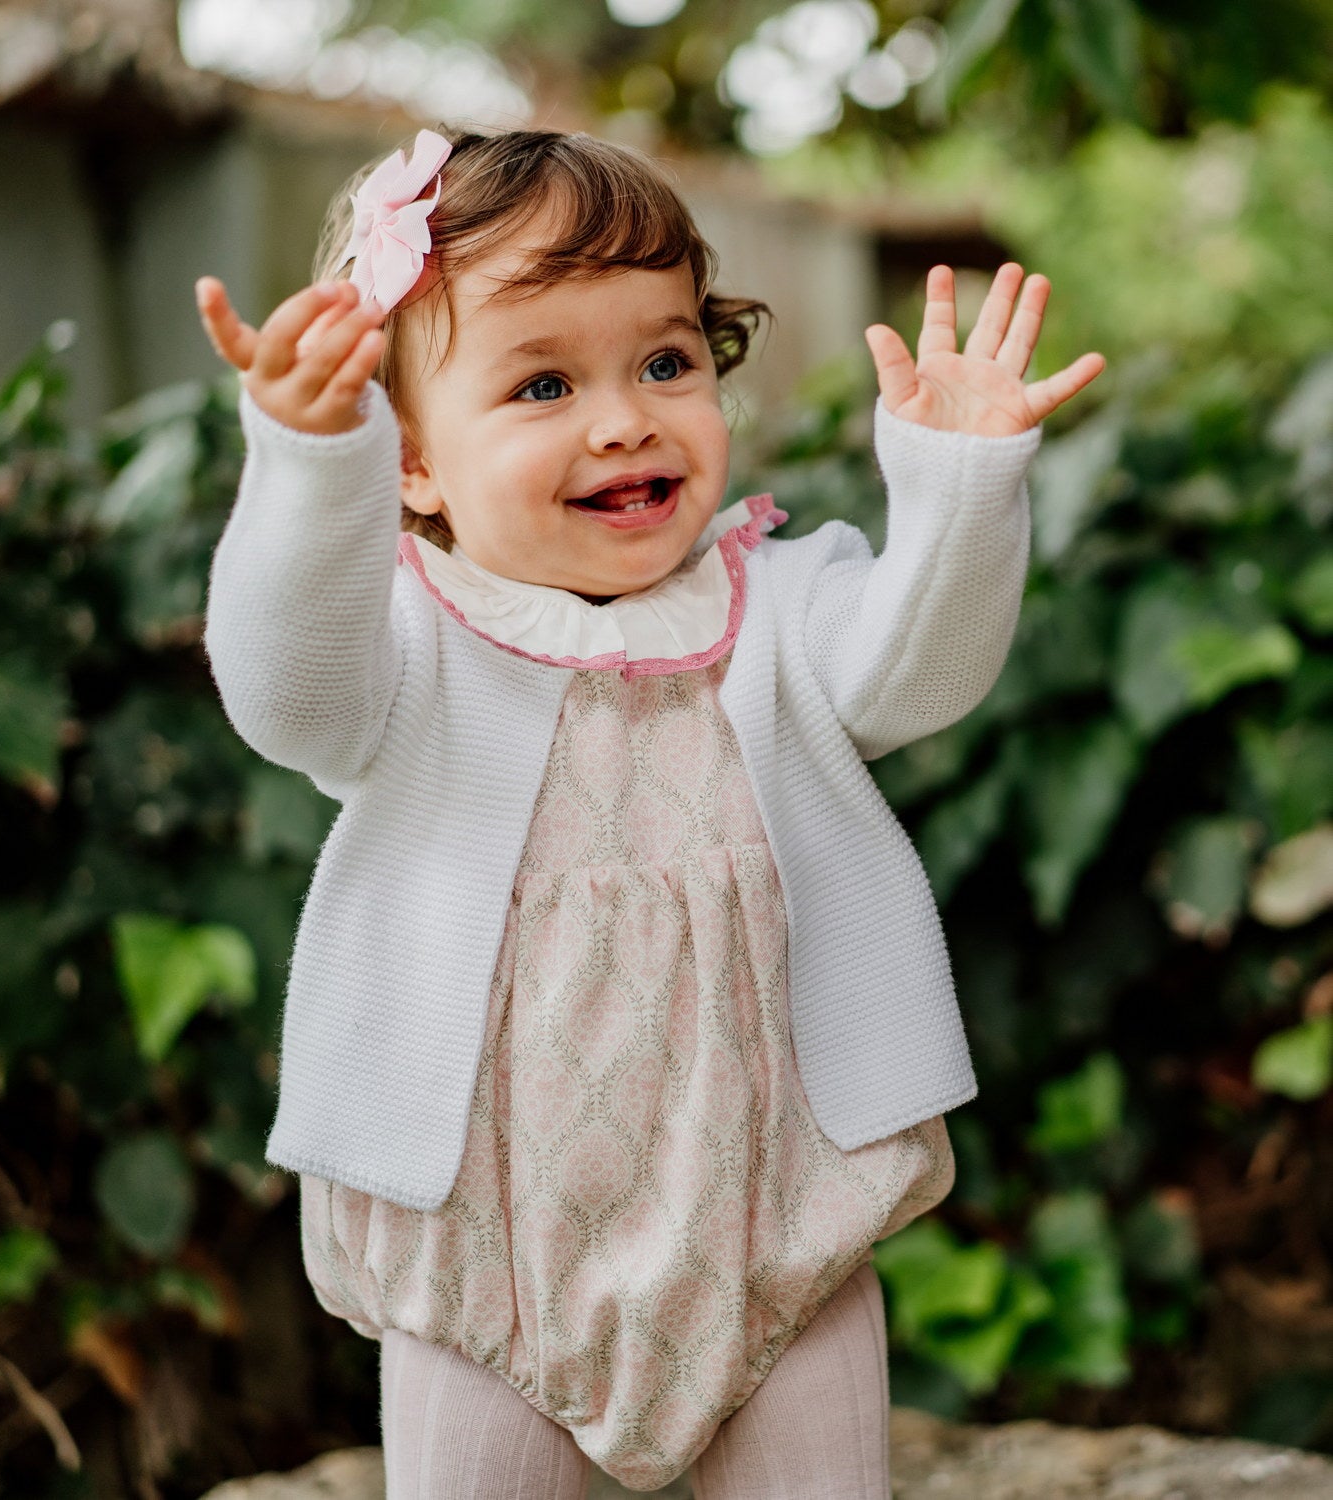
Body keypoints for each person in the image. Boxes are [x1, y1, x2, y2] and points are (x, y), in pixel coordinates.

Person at [195, 126, 1104, 1499]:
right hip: (486, 1253)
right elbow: (285, 690)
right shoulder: (407, 650)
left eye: (665, 361)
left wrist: (961, 489)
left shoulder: (782, 607)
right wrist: (313, 466)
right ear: (415, 463)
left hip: (775, 1220)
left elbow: (921, 670)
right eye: (543, 381)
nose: (624, 417)